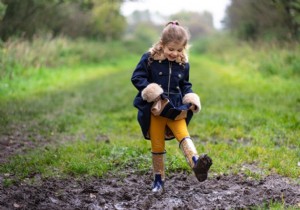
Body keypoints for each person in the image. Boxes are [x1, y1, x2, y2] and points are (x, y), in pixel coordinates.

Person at [131, 20, 212, 193]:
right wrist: (151, 91)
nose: (175, 54)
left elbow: (185, 85)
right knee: (157, 144)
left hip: (175, 108)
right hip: (156, 108)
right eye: (171, 49)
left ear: (184, 48)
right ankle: (158, 180)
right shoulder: (150, 59)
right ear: (162, 44)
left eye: (179, 50)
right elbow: (137, 77)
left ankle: (197, 164)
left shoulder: (183, 64)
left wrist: (190, 97)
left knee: (183, 134)